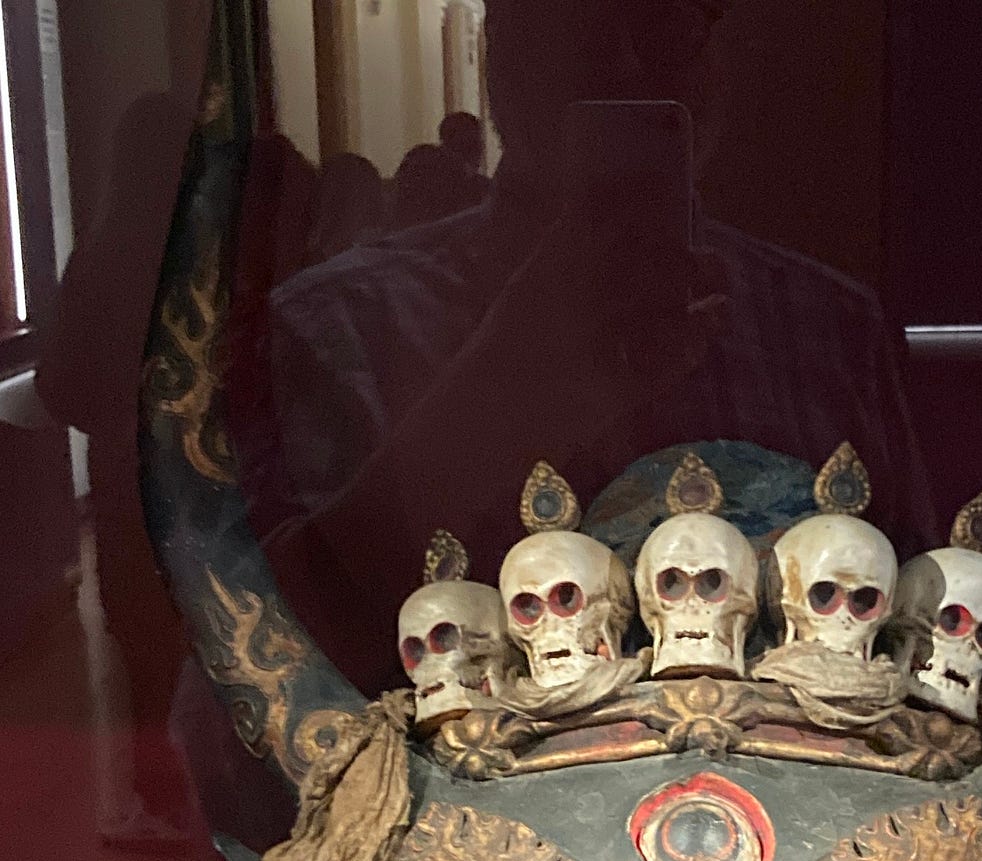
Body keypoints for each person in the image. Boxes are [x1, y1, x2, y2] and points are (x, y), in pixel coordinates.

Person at [238, 0, 935, 694]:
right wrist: (499, 392)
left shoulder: (829, 328)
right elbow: (259, 689)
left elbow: (923, 640)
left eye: (667, 31)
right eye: (582, 33)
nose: (628, 70)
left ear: (714, 58)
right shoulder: (339, 330)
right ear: (500, 56)